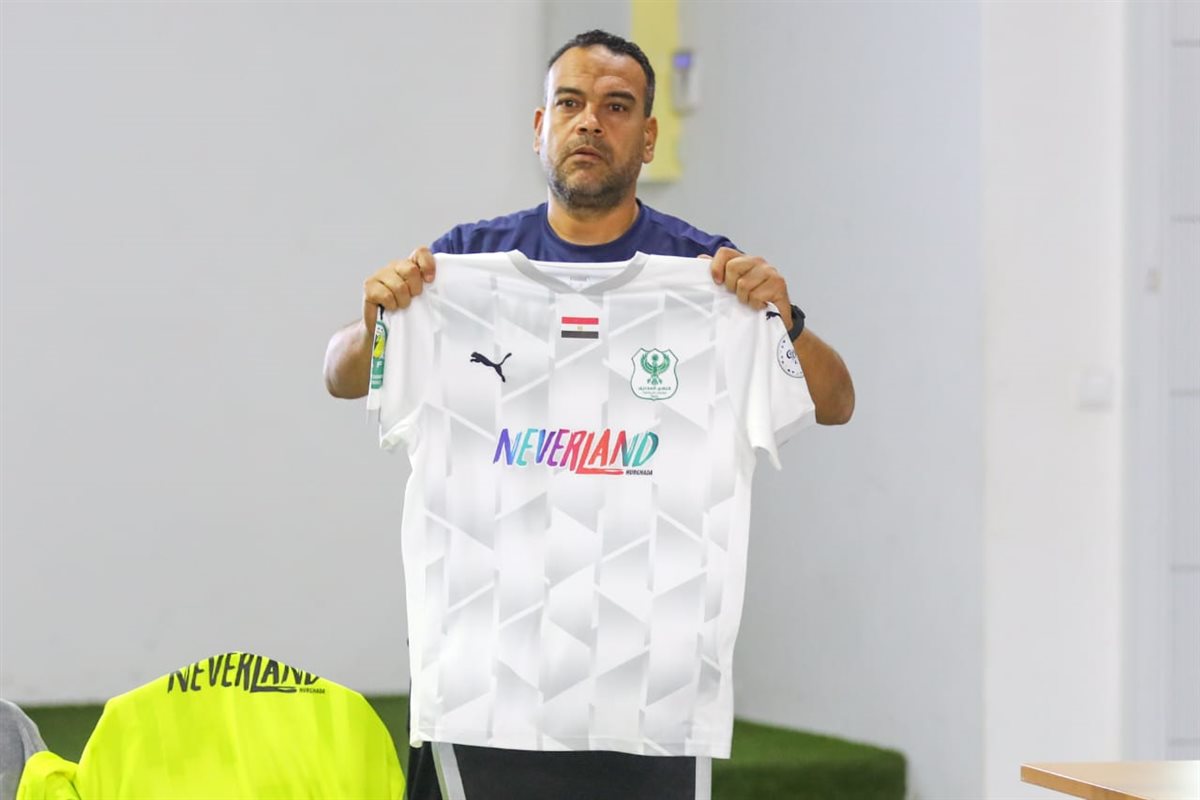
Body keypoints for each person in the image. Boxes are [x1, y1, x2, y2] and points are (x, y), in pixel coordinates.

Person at [324, 29, 854, 800]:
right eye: (570, 103)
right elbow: (341, 377)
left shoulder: (708, 279)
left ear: (648, 137)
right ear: (541, 127)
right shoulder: (459, 270)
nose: (590, 123)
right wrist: (375, 319)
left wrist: (784, 319)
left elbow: (835, 404)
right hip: (484, 692)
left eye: (616, 106)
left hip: (653, 699)